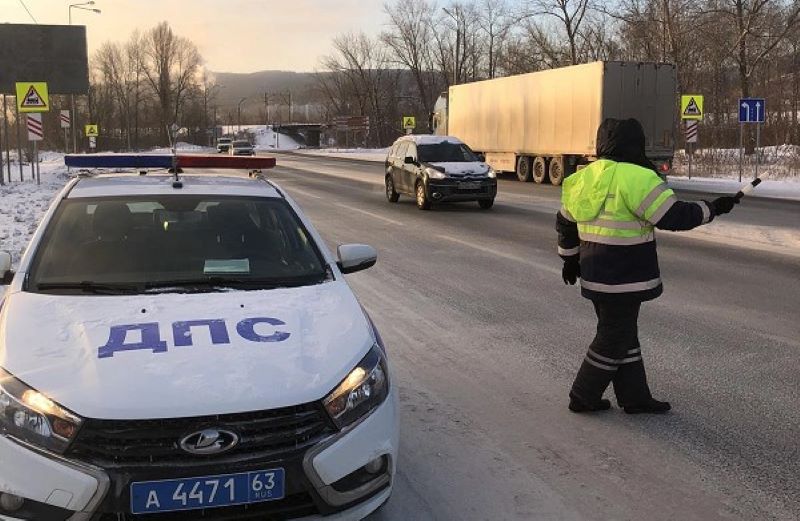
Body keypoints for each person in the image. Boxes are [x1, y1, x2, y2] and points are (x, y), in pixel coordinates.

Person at [556, 118, 739, 414]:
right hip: (624, 276)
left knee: (623, 334)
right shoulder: (639, 178)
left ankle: (635, 397)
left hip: (594, 273)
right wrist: (713, 208)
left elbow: (565, 222)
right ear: (636, 143)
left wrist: (570, 258)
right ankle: (583, 395)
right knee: (613, 338)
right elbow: (673, 216)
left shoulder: (586, 176)